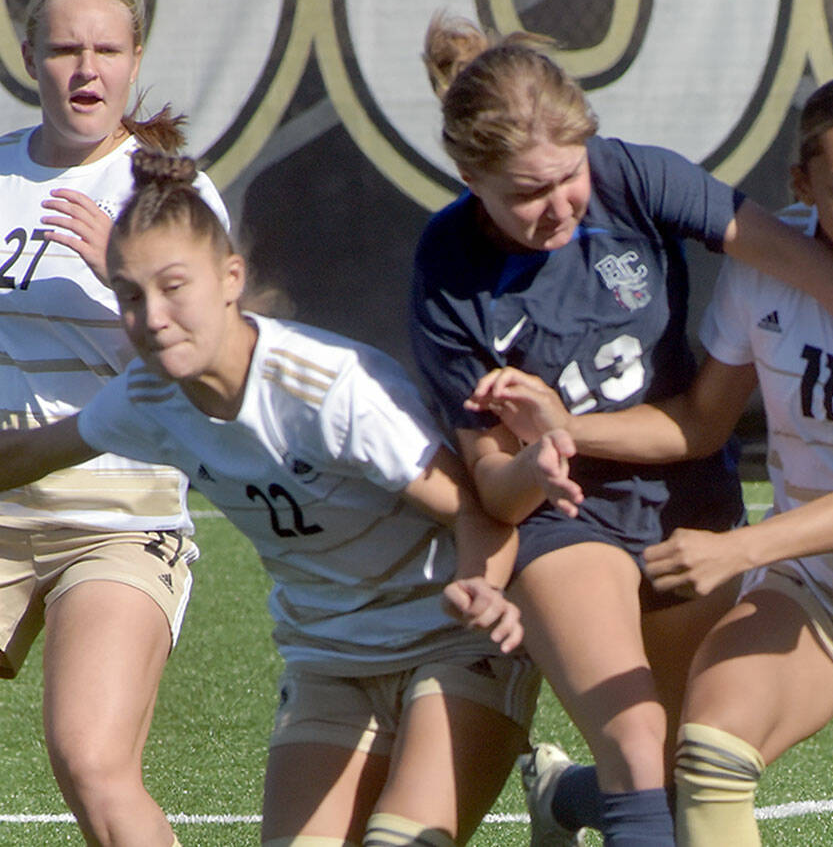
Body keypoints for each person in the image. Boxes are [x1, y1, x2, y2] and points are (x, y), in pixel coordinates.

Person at [411, 15, 833, 847]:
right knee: (689, 754)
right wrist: (558, 437)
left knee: (673, 768)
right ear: (803, 184)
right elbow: (702, 420)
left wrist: (740, 546)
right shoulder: (753, 269)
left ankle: (565, 796)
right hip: (803, 582)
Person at [0, 148, 538, 847]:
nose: (154, 317)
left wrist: (481, 588)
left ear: (231, 278)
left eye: (174, 287)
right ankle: (563, 800)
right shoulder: (150, 396)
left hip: (449, 641)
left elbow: (477, 510)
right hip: (329, 660)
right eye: (130, 296)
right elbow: (24, 455)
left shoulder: (329, 389)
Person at [0, 0, 228, 844]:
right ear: (30, 59)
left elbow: (214, 372)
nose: (85, 69)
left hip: (118, 517)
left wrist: (123, 270)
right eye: (65, 50)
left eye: (105, 50)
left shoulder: (169, 195)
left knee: (92, 764)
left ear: (134, 62)